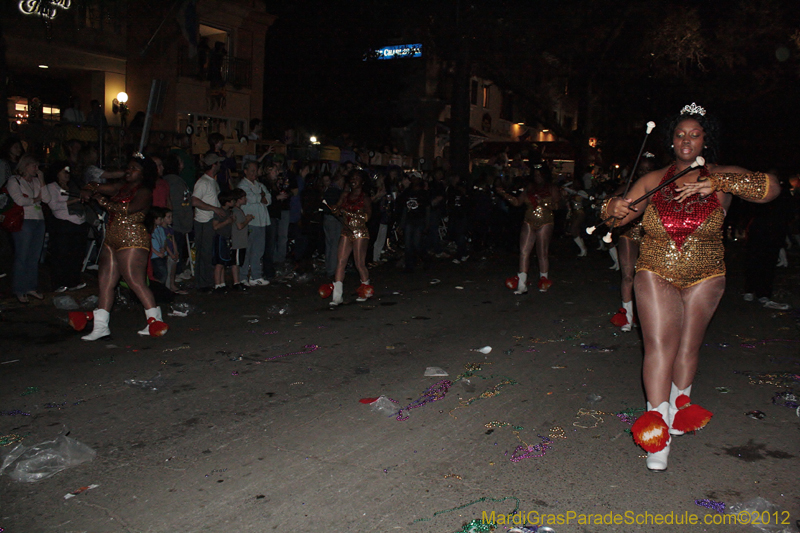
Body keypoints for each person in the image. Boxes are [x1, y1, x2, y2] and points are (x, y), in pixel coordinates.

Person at [605, 103, 779, 471]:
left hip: (707, 273)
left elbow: (770, 188)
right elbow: (615, 215)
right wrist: (613, 207)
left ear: (705, 139)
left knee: (688, 346)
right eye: (680, 134)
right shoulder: (654, 180)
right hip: (655, 269)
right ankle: (657, 432)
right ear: (671, 140)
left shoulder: (722, 174)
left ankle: (680, 405)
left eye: (694, 134)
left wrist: (719, 182)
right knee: (659, 347)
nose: (687, 140)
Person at [78, 155, 170, 340]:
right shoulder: (121, 186)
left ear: (143, 173)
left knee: (134, 280)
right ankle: (101, 326)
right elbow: (97, 185)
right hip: (112, 237)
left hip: (133, 239)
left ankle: (155, 321)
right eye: (128, 167)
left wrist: (103, 202)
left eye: (134, 168)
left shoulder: (144, 191)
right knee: (105, 282)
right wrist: (88, 189)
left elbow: (128, 209)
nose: (129, 171)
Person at [496, 163, 560, 294]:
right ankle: (522, 283)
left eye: (540, 175)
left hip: (546, 221)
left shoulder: (552, 188)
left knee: (542, 252)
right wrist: (504, 194)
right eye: (535, 175)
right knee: (524, 251)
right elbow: (517, 203)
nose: (537, 177)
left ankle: (544, 281)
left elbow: (557, 206)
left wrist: (543, 202)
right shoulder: (529, 188)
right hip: (528, 221)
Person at [609, 153, 655, 332]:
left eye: (649, 170)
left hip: (650, 235)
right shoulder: (627, 188)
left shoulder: (660, 188)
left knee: (647, 279)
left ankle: (647, 315)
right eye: (642, 170)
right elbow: (609, 206)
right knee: (627, 275)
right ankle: (626, 316)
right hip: (629, 233)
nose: (645, 173)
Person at [7, 155, 50, 302]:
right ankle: (19, 289)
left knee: (34, 256)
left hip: (39, 220)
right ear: (25, 166)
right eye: (34, 166)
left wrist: (42, 181)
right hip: (24, 220)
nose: (36, 169)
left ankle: (31, 286)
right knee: (22, 255)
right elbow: (19, 200)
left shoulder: (37, 181)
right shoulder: (14, 180)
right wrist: (35, 200)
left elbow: (47, 199)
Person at [327, 169, 372, 306]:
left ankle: (366, 291)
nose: (353, 180)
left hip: (360, 232)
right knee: (340, 261)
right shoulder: (345, 195)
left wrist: (355, 215)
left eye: (357, 178)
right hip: (346, 231)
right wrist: (335, 209)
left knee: (359, 263)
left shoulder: (365, 197)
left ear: (362, 181)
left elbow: (368, 216)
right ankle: (337, 296)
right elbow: (337, 208)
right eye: (352, 178)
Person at [43, 161, 88, 292]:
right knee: (61, 254)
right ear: (57, 173)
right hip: (63, 224)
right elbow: (54, 206)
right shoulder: (52, 186)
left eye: (68, 171)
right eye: (64, 171)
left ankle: (73, 281)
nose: (67, 174)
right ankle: (58, 282)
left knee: (77, 254)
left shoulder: (74, 185)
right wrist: (75, 200)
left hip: (79, 223)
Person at [192, 153, 227, 292]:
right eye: (218, 163)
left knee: (208, 253)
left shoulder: (212, 181)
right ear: (214, 165)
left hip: (210, 220)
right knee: (204, 253)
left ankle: (207, 282)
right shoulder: (203, 182)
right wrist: (214, 209)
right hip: (203, 221)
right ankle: (203, 284)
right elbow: (194, 201)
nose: (220, 165)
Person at [237, 160, 271, 286]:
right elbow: (250, 198)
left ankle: (256, 276)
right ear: (245, 171)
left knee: (258, 250)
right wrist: (260, 197)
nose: (254, 173)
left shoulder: (259, 185)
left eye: (256, 171)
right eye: (252, 170)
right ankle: (243, 276)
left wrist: (261, 197)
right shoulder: (242, 185)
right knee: (247, 250)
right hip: (250, 222)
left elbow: (268, 198)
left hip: (261, 222)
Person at [211, 191, 238, 292]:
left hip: (226, 237)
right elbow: (215, 226)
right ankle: (217, 284)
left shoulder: (227, 212)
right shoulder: (220, 212)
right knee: (219, 263)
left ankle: (222, 283)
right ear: (227, 202)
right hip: (220, 237)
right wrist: (227, 221)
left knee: (223, 262)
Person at [231, 189, 254, 291]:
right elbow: (239, 226)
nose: (246, 199)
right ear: (239, 199)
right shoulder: (236, 211)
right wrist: (247, 220)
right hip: (237, 241)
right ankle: (236, 282)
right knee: (235, 262)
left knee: (239, 261)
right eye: (244, 197)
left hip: (241, 241)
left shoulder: (239, 210)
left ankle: (238, 281)